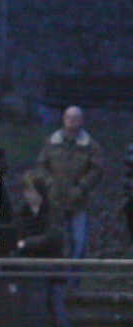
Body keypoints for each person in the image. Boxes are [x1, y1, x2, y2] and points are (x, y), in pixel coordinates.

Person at [12, 171, 78, 327]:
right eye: (26, 191)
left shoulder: (53, 211)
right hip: (31, 274)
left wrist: (27, 244)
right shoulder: (22, 213)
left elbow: (53, 238)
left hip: (53, 273)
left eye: (31, 191)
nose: (28, 195)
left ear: (40, 192)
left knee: (59, 317)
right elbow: (16, 236)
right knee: (34, 318)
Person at [36, 106, 103, 260]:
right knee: (55, 240)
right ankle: (56, 273)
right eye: (68, 117)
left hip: (79, 201)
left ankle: (74, 273)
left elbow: (97, 170)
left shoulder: (90, 145)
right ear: (63, 119)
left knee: (78, 241)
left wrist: (82, 186)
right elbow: (41, 166)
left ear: (81, 120)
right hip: (55, 200)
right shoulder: (52, 142)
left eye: (75, 118)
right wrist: (50, 183)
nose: (71, 121)